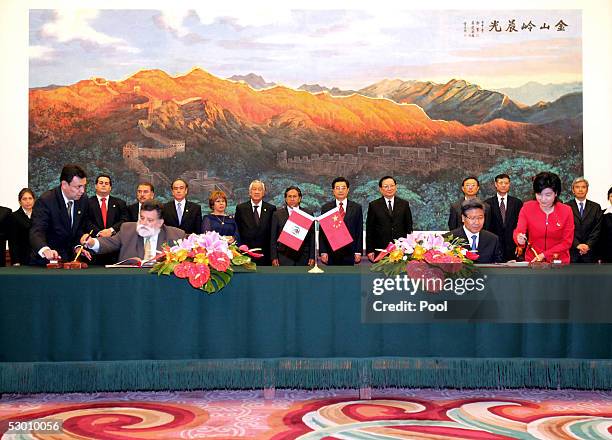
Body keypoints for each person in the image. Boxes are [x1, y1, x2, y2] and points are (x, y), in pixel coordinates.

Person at [82, 200, 185, 262]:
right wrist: (91, 242)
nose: (143, 223)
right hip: (130, 283)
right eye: (142, 218)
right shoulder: (128, 229)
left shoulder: (176, 235)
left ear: (160, 223)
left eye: (149, 220)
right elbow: (109, 243)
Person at [30, 164, 90, 264]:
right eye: (78, 187)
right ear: (64, 184)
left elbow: (78, 229)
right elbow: (37, 231)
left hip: (69, 261)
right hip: (45, 263)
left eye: (84, 186)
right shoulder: (46, 201)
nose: (82, 191)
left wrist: (77, 247)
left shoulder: (83, 200)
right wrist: (45, 250)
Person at [513, 171, 574, 264]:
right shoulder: (527, 208)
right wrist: (519, 238)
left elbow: (567, 242)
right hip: (533, 261)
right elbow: (519, 231)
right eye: (539, 194)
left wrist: (544, 255)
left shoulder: (566, 211)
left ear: (556, 193)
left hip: (559, 262)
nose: (543, 199)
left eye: (548, 195)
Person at [366, 176, 413, 262]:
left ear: (396, 187)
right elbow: (370, 229)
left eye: (392, 186)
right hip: (381, 249)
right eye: (386, 186)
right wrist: (370, 250)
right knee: (380, 275)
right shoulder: (373, 205)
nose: (389, 188)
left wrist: (409, 246)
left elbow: (409, 227)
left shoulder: (404, 204)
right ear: (380, 189)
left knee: (400, 274)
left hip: (401, 249)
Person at [319, 177, 363, 265]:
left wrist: (358, 251)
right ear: (333, 190)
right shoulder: (326, 208)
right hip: (331, 251)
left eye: (343, 188)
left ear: (348, 190)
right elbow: (322, 232)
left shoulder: (356, 207)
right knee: (333, 277)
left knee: (348, 277)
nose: (340, 191)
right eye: (337, 188)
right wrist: (323, 251)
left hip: (350, 251)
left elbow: (359, 230)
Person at [87, 174, 129, 265]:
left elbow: (124, 220)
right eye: (101, 183)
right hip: (93, 250)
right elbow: (85, 221)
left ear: (110, 187)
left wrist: (111, 230)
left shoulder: (120, 203)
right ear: (95, 186)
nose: (103, 185)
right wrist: (99, 233)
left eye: (106, 183)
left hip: (114, 250)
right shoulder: (87, 203)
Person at [447, 199, 503, 264]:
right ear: (463, 218)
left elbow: (498, 265)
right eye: (472, 218)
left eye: (480, 218)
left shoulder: (493, 239)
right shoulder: (450, 239)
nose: (477, 222)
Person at [270, 186, 315, 266]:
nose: (292, 199)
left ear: (299, 198)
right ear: (285, 199)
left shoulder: (307, 214)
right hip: (283, 257)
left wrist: (312, 256)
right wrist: (274, 257)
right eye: (289, 196)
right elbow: (273, 238)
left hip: (303, 257)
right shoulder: (277, 215)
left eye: (295, 196)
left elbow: (312, 238)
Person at [234, 180, 276, 265]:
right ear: (250, 192)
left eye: (260, 189)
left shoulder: (271, 209)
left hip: (265, 255)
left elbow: (273, 233)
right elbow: (237, 230)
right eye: (254, 189)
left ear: (263, 193)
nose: (257, 192)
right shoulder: (241, 208)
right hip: (246, 254)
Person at [484, 174, 523, 262]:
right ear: (496, 184)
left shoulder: (517, 203)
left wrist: (520, 245)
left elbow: (521, 225)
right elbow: (486, 227)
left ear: (509, 184)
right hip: (494, 245)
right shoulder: (487, 203)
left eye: (506, 183)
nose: (503, 185)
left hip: (513, 246)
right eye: (501, 183)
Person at [567, 177, 602, 263]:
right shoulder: (566, 207)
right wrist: (577, 245)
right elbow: (566, 229)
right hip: (572, 252)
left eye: (583, 187)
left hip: (590, 252)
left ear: (587, 189)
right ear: (573, 190)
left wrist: (588, 245)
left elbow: (597, 229)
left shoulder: (596, 207)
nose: (580, 190)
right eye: (577, 187)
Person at [8, 188, 36, 265]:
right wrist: (16, 261)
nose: (28, 201)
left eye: (30, 198)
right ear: (20, 202)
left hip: (39, 258)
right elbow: (12, 242)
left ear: (34, 200)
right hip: (22, 259)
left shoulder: (39, 215)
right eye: (24, 199)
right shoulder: (14, 216)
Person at [597, 186, 612, 263]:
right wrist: (599, 256)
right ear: (608, 198)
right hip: (607, 254)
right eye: (611, 196)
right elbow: (600, 236)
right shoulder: (602, 214)